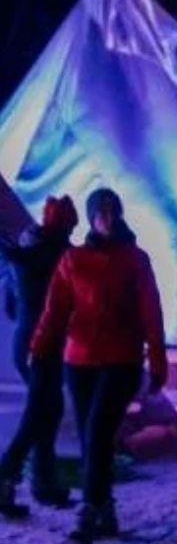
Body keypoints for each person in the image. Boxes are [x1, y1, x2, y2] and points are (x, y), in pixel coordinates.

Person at [30, 188, 167, 544]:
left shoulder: (135, 259)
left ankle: (90, 508)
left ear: (119, 214)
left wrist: (156, 359)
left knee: (97, 430)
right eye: (100, 211)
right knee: (95, 437)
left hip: (121, 358)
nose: (106, 216)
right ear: (91, 218)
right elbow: (55, 308)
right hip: (79, 360)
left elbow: (151, 311)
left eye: (111, 210)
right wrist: (40, 345)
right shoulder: (73, 260)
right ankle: (105, 507)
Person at [0, 196, 79, 516]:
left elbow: (10, 304)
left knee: (47, 410)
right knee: (39, 413)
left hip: (27, 342)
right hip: (44, 343)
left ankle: (44, 482)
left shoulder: (24, 251)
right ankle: (8, 474)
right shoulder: (57, 254)